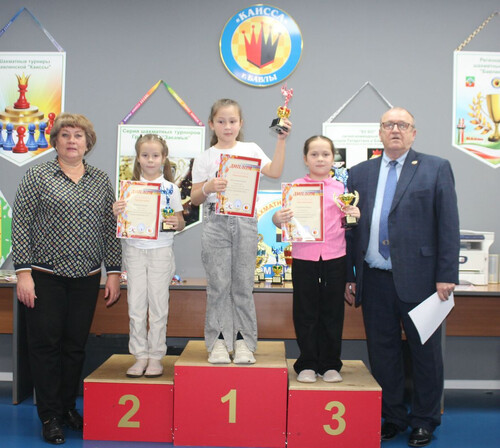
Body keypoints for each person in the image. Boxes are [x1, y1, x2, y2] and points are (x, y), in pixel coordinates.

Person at [344, 107, 460, 447]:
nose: (395, 129)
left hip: (422, 280)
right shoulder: (359, 173)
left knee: (426, 354)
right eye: (389, 124)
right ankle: (392, 416)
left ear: (413, 133)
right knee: (383, 353)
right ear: (380, 132)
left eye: (402, 125)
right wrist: (351, 275)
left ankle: (424, 421)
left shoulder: (436, 168)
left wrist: (446, 274)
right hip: (374, 278)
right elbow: (351, 229)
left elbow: (448, 225)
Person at [11, 113, 122, 445]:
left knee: (75, 347)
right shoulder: (37, 176)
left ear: (88, 143)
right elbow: (21, 224)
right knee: (46, 347)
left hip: (86, 277)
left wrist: (113, 272)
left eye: (78, 135)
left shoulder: (100, 180)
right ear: (55, 141)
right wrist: (23, 272)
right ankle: (49, 416)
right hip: (45, 277)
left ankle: (67, 408)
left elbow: (110, 228)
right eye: (65, 135)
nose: (72, 141)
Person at [191, 98, 291, 364]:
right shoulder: (204, 157)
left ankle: (243, 341)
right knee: (218, 285)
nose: (227, 126)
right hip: (215, 221)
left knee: (243, 285)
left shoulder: (251, 149)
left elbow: (275, 171)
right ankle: (218, 342)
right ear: (211, 124)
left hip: (245, 220)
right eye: (221, 121)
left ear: (240, 123)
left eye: (232, 121)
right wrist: (208, 187)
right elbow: (195, 198)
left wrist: (281, 140)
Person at [272, 135, 360, 383]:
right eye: (314, 154)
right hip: (304, 257)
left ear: (333, 158)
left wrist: (355, 214)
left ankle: (330, 364)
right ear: (305, 158)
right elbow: (281, 221)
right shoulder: (295, 188)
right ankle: (308, 363)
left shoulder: (343, 189)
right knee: (305, 312)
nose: (320, 159)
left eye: (325, 154)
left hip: (335, 257)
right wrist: (278, 218)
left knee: (333, 312)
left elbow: (349, 223)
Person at [113, 134, 185, 378]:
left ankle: (155, 357)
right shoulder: (129, 188)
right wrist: (116, 211)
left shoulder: (171, 188)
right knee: (135, 306)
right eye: (145, 155)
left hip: (161, 251)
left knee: (158, 307)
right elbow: (122, 220)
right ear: (138, 158)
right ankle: (139, 355)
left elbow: (180, 222)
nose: (150, 160)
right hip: (134, 250)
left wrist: (176, 222)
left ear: (163, 158)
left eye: (155, 155)